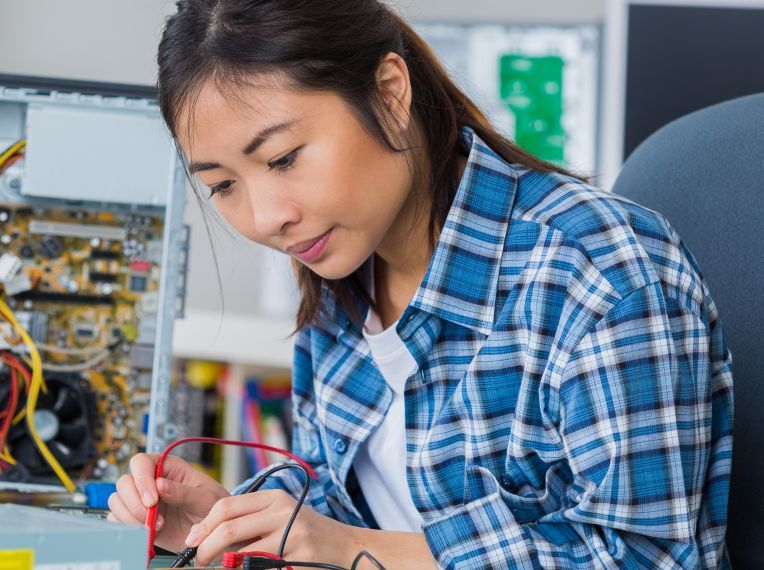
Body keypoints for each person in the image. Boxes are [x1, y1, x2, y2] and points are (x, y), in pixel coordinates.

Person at [107, 1, 735, 567]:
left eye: (283, 158)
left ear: (389, 92)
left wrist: (353, 548)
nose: (267, 217)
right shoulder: (336, 275)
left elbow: (642, 559)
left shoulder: (597, 272)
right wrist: (232, 519)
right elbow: (336, 497)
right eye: (222, 185)